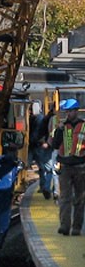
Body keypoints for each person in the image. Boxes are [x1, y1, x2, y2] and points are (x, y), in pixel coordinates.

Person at [49, 98, 85, 236]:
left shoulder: (83, 126)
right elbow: (55, 145)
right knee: (65, 198)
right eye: (67, 111)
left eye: (70, 111)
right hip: (65, 166)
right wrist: (59, 130)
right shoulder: (61, 126)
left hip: (81, 166)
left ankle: (76, 227)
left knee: (80, 199)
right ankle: (64, 226)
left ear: (76, 111)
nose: (68, 114)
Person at [29, 103, 54, 200]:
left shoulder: (35, 119)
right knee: (47, 169)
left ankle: (44, 187)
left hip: (36, 146)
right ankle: (45, 187)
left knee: (43, 168)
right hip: (42, 146)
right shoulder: (43, 119)